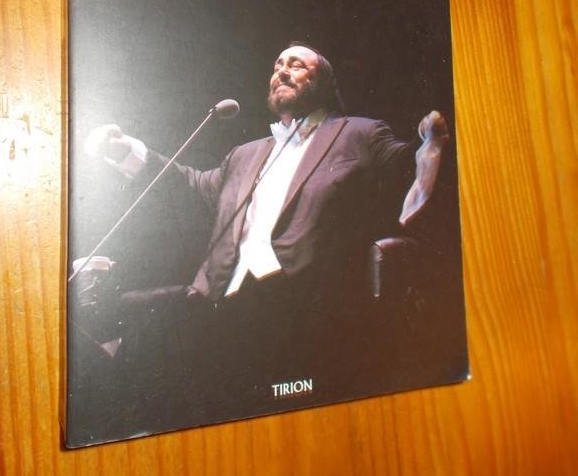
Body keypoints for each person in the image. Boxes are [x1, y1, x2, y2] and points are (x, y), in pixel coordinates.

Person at [82, 43, 449, 424]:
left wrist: (430, 142)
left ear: (322, 82)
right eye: (277, 65)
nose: (282, 71)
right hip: (218, 301)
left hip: (299, 303)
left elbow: (406, 165)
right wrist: (125, 150)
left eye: (297, 65)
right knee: (108, 315)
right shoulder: (244, 155)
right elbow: (191, 184)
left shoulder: (358, 133)